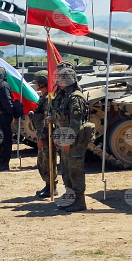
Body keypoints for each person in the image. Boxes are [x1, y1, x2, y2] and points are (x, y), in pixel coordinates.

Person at [50, 62, 91, 211]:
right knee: (66, 171)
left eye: (62, 79)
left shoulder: (75, 98)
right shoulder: (65, 97)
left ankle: (80, 202)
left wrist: (68, 141)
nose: (58, 81)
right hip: (64, 138)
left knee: (75, 171)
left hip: (75, 141)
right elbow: (61, 120)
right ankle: (71, 199)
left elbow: (75, 123)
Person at [30, 70, 57, 198]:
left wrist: (41, 137)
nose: (35, 85)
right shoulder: (45, 97)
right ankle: (48, 185)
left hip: (47, 136)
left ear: (41, 83)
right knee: (43, 162)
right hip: (43, 134)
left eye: (37, 82)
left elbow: (46, 121)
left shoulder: (48, 99)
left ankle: (51, 187)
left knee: (47, 162)